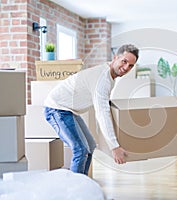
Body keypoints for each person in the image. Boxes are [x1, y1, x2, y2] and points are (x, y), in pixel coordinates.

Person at [44, 44, 139, 175]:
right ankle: (76, 191)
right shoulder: (103, 79)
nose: (126, 68)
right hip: (56, 108)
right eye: (124, 61)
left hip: (69, 111)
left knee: (90, 146)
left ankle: (84, 182)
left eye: (131, 66)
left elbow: (101, 107)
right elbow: (102, 113)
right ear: (115, 57)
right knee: (80, 150)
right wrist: (114, 146)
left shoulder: (109, 76)